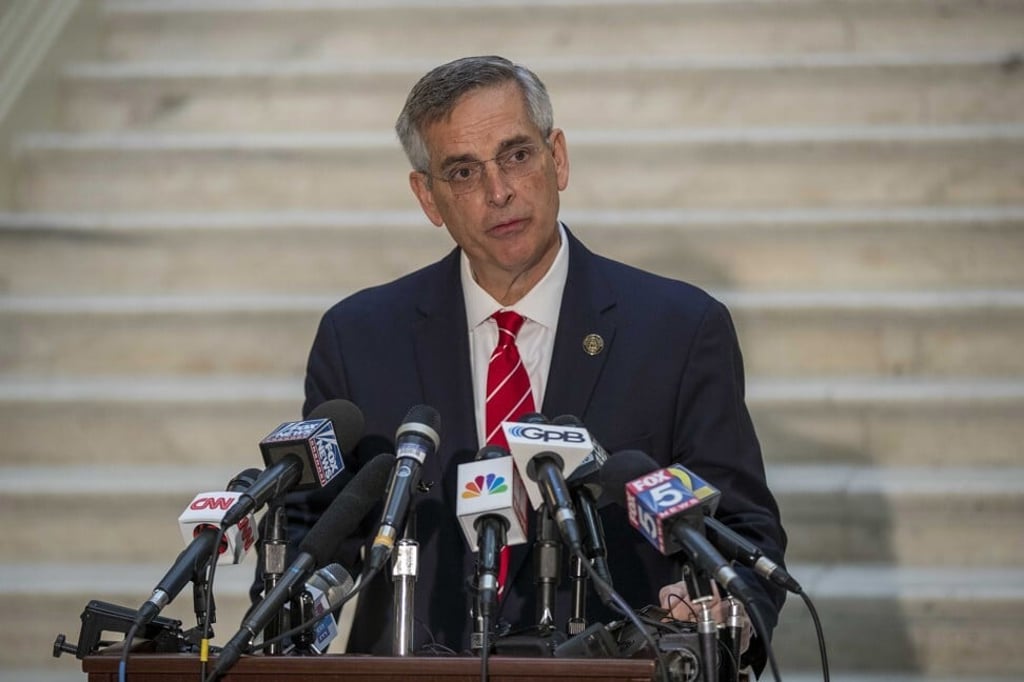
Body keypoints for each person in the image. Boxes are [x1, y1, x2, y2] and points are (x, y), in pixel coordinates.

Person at [262, 55, 787, 673]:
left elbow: (741, 533)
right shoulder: (359, 337)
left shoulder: (678, 328)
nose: (499, 191)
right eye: (462, 171)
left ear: (557, 158)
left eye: (517, 155)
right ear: (428, 197)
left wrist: (713, 608)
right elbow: (308, 541)